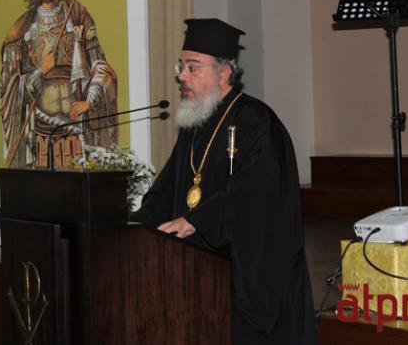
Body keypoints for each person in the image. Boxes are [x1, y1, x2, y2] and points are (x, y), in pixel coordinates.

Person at [131, 18, 317, 344]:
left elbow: (257, 194)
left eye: (193, 67)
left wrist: (198, 220)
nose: (182, 76)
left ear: (224, 72)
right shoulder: (195, 121)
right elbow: (168, 188)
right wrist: (135, 225)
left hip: (247, 280)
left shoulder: (258, 122)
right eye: (181, 66)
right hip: (200, 276)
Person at [0, 0, 117, 169]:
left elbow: (100, 66)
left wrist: (90, 101)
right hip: (40, 138)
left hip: (75, 135)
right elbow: (7, 88)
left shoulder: (77, 15)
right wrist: (40, 72)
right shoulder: (23, 28)